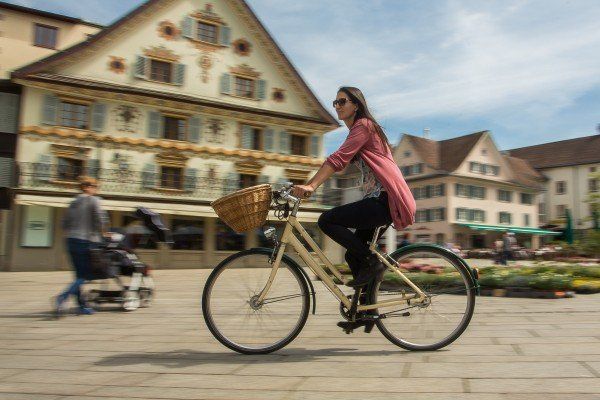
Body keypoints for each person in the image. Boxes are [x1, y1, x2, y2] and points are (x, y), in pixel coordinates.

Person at [292, 87, 416, 289]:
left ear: (356, 105)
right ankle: (365, 314)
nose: (337, 106)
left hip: (383, 200)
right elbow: (340, 163)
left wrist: (311, 185)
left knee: (327, 220)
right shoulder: (359, 131)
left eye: (342, 102)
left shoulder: (364, 126)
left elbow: (338, 159)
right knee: (353, 255)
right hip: (378, 201)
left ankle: (373, 263)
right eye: (335, 103)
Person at [53, 176, 108, 316]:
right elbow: (100, 219)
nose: (96, 190)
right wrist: (104, 233)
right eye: (95, 187)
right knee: (85, 275)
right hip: (86, 241)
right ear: (87, 187)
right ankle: (62, 297)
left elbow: (64, 224)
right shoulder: (94, 200)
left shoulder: (73, 202)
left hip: (71, 241)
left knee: (78, 276)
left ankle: (81, 306)